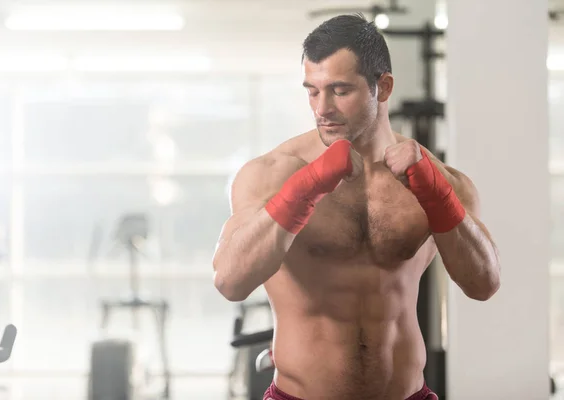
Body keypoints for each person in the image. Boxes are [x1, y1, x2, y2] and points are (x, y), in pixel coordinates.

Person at [212, 14, 501, 400]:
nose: (322, 108)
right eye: (312, 91)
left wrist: (436, 196)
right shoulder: (272, 174)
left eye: (339, 90)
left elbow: (484, 283)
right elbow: (230, 281)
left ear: (383, 88)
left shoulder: (438, 180)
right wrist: (303, 191)